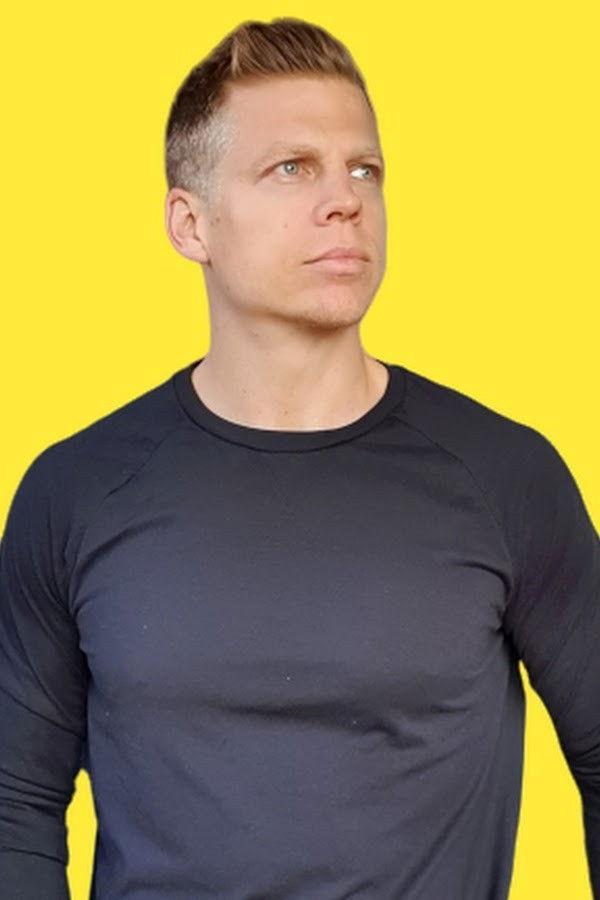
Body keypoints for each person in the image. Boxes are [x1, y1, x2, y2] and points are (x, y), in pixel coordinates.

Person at [1, 16, 598, 900]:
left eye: (365, 169)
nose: (345, 199)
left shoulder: (506, 476)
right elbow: (15, 801)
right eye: (292, 168)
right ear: (190, 223)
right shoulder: (76, 490)